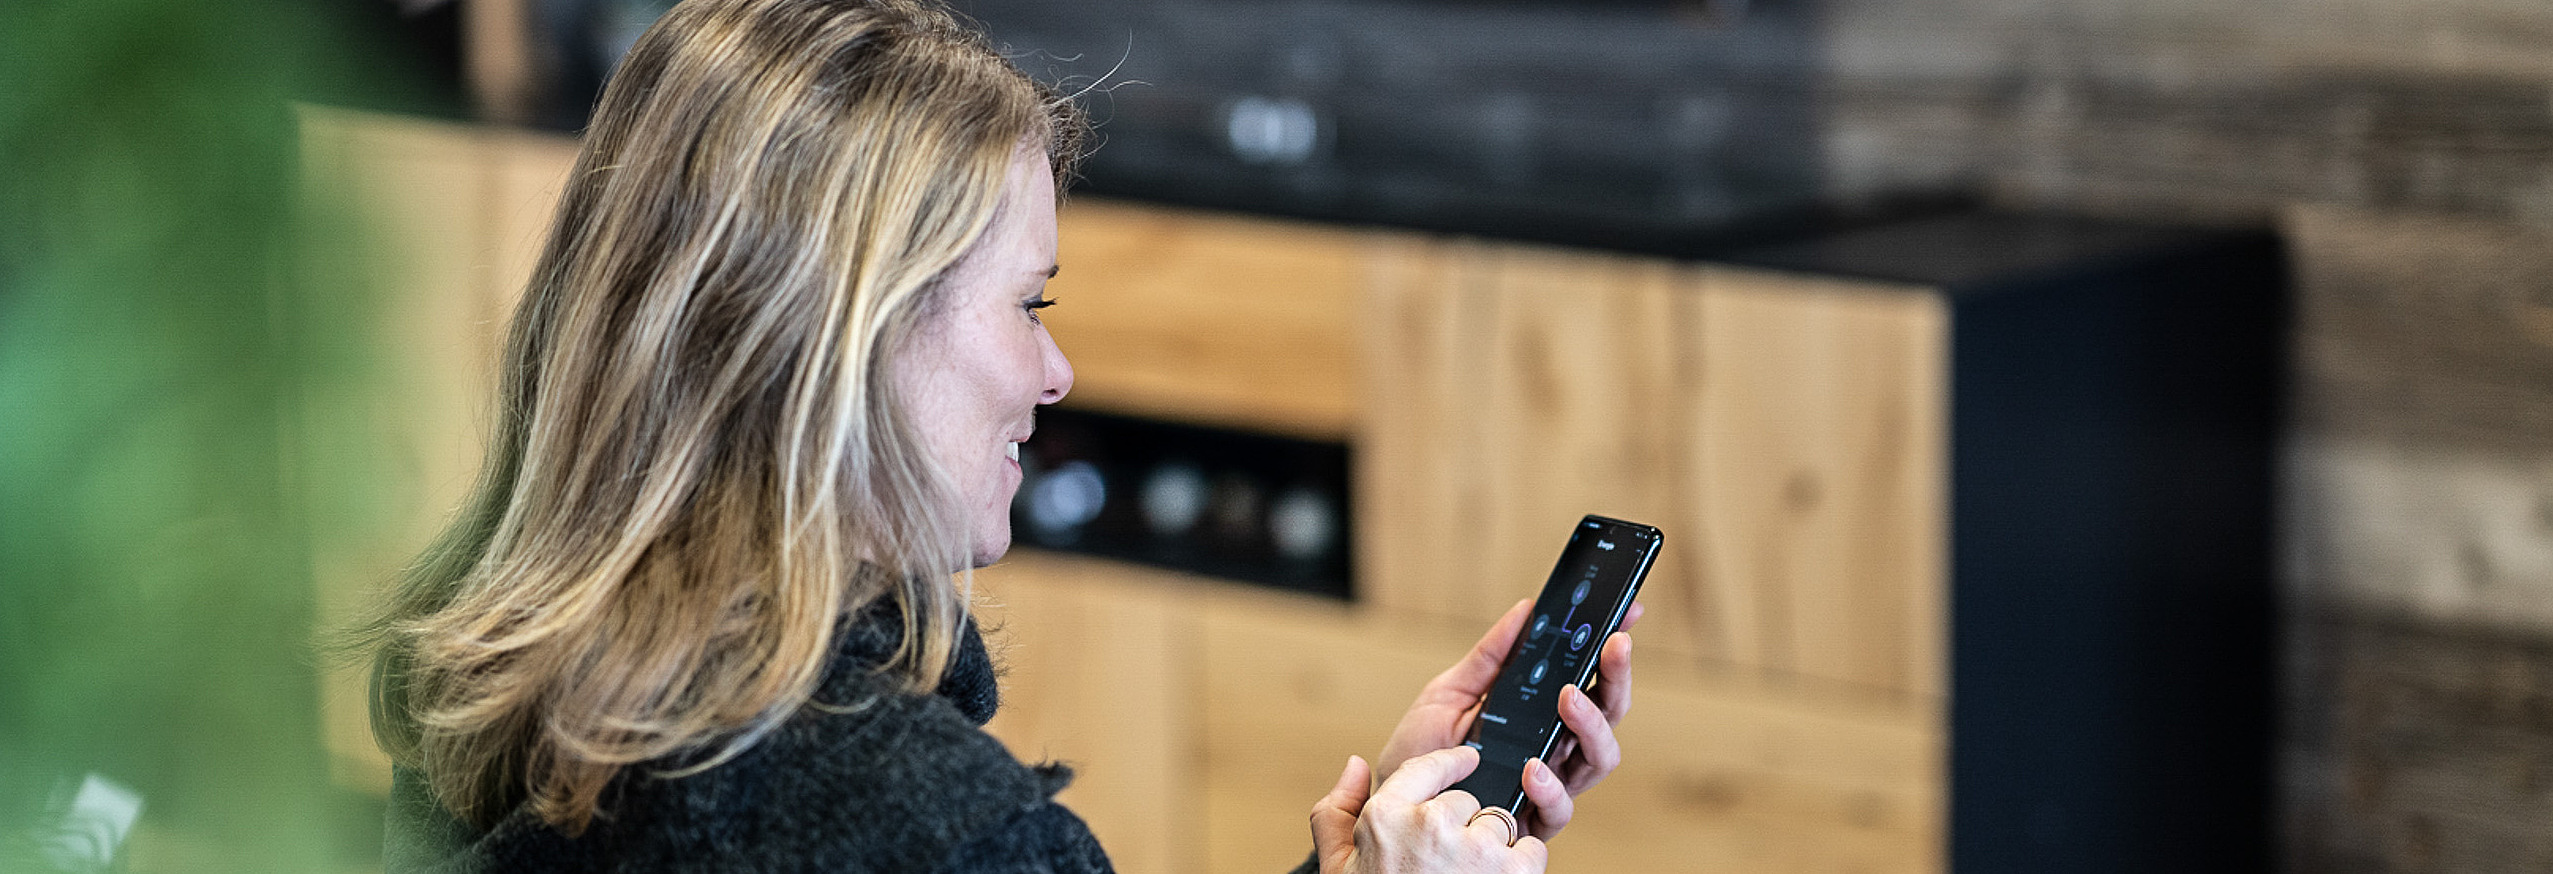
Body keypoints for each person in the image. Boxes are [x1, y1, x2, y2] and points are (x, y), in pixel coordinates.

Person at [357, 1, 1641, 871]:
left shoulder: (507, 705)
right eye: (1030, 304)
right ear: (846, 336)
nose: (1057, 370)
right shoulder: (930, 830)